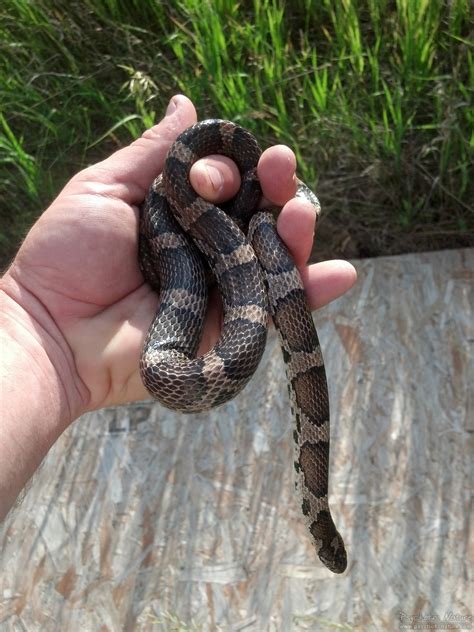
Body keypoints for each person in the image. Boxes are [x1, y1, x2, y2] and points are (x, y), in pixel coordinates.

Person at [0, 95, 357, 521]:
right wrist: (36, 322)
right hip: (167, 284)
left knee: (259, 218)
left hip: (158, 310)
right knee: (255, 217)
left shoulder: (182, 227)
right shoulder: (166, 210)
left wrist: (39, 335)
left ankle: (250, 216)